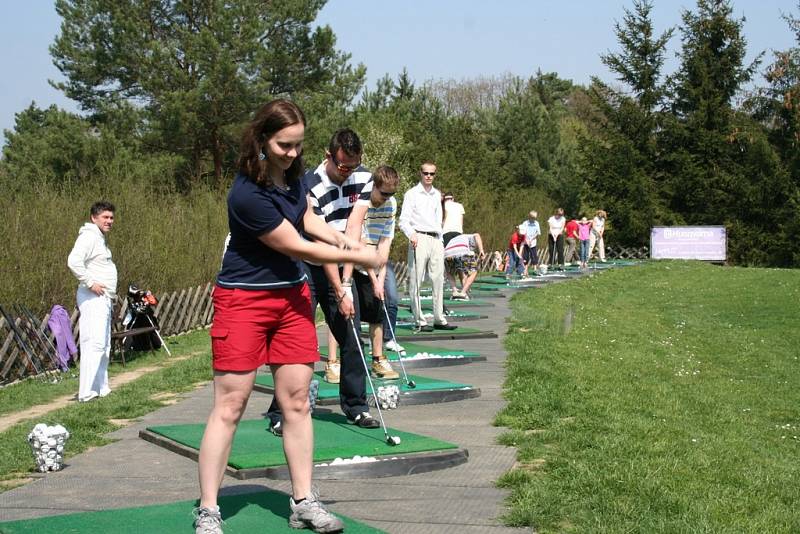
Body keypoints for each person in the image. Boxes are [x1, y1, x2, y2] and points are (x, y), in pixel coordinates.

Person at [194, 100, 379, 534]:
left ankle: (303, 501)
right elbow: (296, 246)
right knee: (231, 405)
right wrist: (356, 252)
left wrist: (343, 239)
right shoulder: (246, 193)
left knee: (297, 401)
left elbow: (307, 219)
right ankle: (208, 510)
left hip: (292, 301)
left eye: (298, 145)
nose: (293, 154)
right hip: (243, 302)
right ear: (261, 140)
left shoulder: (294, 178)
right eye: (284, 145)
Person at [265, 128, 383, 435]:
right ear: (328, 156)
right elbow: (322, 239)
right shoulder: (309, 183)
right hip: (305, 264)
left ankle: (356, 407)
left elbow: (354, 227)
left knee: (352, 335)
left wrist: (347, 283)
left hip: (339, 262)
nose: (347, 173)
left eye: (353, 167)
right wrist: (338, 288)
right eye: (342, 167)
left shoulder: (363, 177)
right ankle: (278, 412)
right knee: (295, 341)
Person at [346, 164, 401, 379]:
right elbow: (360, 243)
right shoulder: (362, 202)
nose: (387, 198)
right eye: (384, 193)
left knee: (379, 309)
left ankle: (378, 359)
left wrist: (381, 276)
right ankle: (343, 361)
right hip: (352, 260)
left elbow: (385, 241)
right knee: (350, 314)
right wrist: (374, 278)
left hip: (375, 262)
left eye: (392, 194)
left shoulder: (391, 204)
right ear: (374, 187)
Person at [67, 201, 117, 403]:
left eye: (111, 217)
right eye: (105, 217)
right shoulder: (88, 236)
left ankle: (100, 387)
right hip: (93, 297)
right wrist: (90, 283)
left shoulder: (99, 238)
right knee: (93, 344)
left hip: (103, 298)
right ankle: (86, 392)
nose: (109, 221)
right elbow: (73, 261)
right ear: (93, 218)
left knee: (103, 345)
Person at [398, 161, 457, 333]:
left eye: (432, 174)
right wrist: (411, 234)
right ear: (420, 173)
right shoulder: (411, 194)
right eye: (426, 173)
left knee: (438, 279)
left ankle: (439, 318)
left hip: (435, 239)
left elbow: (439, 220)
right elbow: (403, 220)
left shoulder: (437, 194)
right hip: (419, 237)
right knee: (416, 279)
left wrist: (441, 240)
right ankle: (420, 320)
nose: (429, 176)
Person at [445, 232, 486, 299]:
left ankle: (455, 292)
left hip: (447, 253)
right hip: (461, 250)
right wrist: (481, 250)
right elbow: (477, 235)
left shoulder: (457, 239)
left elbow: (463, 274)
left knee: (450, 272)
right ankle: (463, 293)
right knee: (474, 271)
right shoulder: (469, 237)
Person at [519, 210, 540, 277]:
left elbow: (538, 233)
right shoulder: (525, 223)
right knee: (525, 256)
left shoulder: (536, 223)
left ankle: (535, 269)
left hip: (533, 242)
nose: (534, 219)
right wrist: (527, 240)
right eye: (533, 218)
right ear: (530, 217)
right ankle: (525, 270)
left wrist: (532, 239)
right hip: (526, 242)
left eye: (535, 218)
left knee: (534, 256)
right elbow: (523, 232)